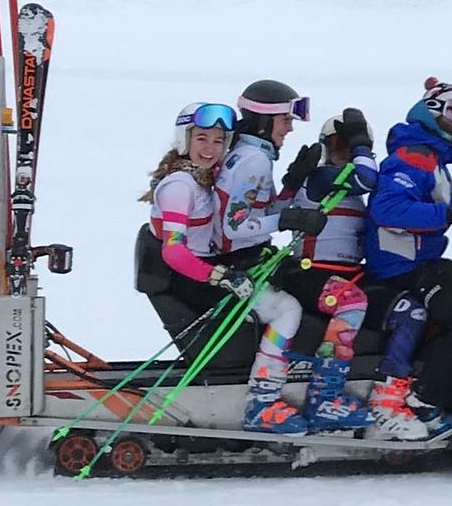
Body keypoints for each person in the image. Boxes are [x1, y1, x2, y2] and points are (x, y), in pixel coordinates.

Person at [281, 109, 430, 440]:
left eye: (354, 146)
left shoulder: (357, 195)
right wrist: (362, 145)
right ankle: (324, 396)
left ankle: (391, 397)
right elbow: (366, 177)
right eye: (340, 143)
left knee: (412, 310)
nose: (346, 152)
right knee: (351, 301)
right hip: (312, 275)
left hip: (351, 277)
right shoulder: (320, 178)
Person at [363, 78, 452, 430]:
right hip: (401, 268)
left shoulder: (430, 157)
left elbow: (434, 192)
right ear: (432, 113)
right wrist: (451, 214)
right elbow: (390, 208)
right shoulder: (413, 156)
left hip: (418, 262)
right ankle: (426, 398)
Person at [214, 79, 328, 434]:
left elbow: (262, 209)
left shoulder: (252, 155)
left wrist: (293, 183)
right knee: (287, 309)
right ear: (265, 121)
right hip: (238, 262)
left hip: (248, 256)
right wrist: (287, 219)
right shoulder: (253, 162)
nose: (290, 129)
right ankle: (262, 400)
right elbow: (235, 226)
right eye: (285, 120)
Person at [136, 101, 264, 366]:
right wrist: (219, 276)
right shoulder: (180, 187)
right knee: (279, 310)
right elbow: (173, 251)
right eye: (202, 138)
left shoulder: (202, 178)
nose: (210, 148)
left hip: (202, 269)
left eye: (219, 141)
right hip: (189, 278)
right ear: (186, 140)